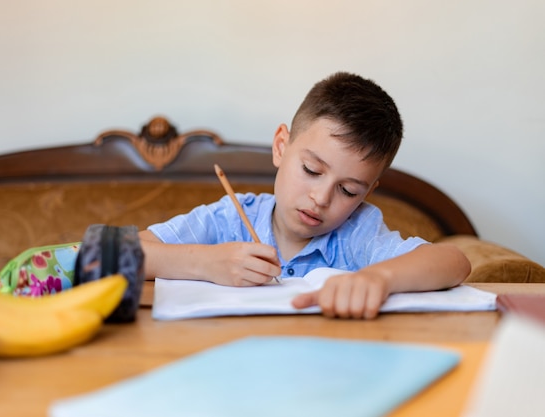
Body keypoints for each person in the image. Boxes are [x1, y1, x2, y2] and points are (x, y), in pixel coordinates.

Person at [138, 71, 471, 319]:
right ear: (282, 147)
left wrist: (378, 278)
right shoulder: (228, 218)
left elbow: (454, 262)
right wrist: (207, 263)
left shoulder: (356, 233)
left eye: (349, 190)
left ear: (368, 192)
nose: (321, 198)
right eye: (312, 170)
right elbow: (117, 251)